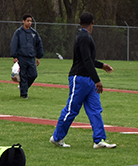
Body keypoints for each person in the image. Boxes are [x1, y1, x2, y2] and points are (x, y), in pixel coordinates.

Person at [49, 12, 116, 149]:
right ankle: (57, 137)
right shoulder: (84, 37)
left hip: (88, 79)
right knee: (71, 109)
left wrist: (101, 66)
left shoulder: (83, 36)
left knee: (95, 109)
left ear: (80, 23)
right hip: (79, 78)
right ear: (92, 22)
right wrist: (97, 80)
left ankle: (99, 140)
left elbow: (89, 60)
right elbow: (86, 60)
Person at [10, 13, 44, 99]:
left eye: (30, 21)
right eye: (28, 21)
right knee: (23, 76)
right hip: (21, 57)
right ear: (23, 21)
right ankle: (24, 94)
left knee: (33, 75)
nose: (29, 23)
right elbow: (14, 44)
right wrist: (14, 56)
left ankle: (23, 87)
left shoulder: (34, 33)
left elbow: (39, 44)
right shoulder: (18, 32)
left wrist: (39, 56)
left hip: (31, 57)